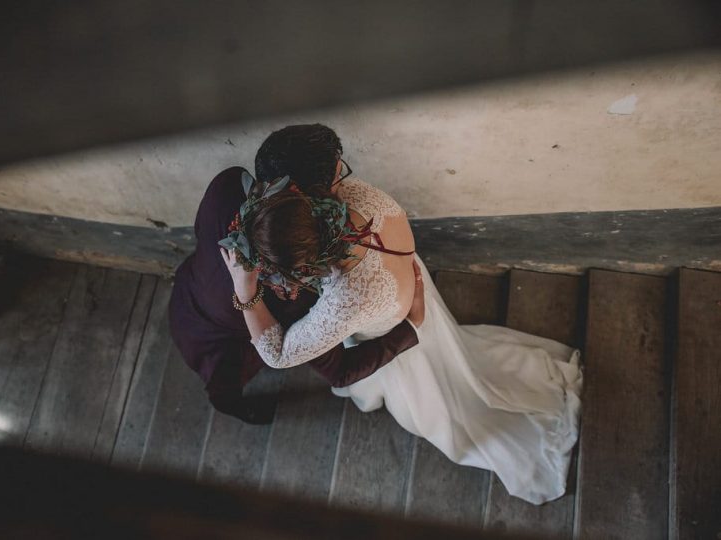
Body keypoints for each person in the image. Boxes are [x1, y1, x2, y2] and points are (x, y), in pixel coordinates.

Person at [221, 124, 583, 505]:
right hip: (405, 290)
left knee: (430, 405)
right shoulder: (363, 195)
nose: (343, 170)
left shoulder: (348, 293)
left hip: (390, 322)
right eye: (336, 169)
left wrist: (245, 290)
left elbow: (278, 354)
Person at [168, 125, 424, 425]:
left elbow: (203, 229)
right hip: (227, 336)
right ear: (311, 200)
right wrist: (412, 328)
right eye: (337, 175)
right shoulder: (300, 290)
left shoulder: (227, 185)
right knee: (224, 384)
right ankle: (230, 406)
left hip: (191, 286)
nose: (344, 178)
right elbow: (338, 371)